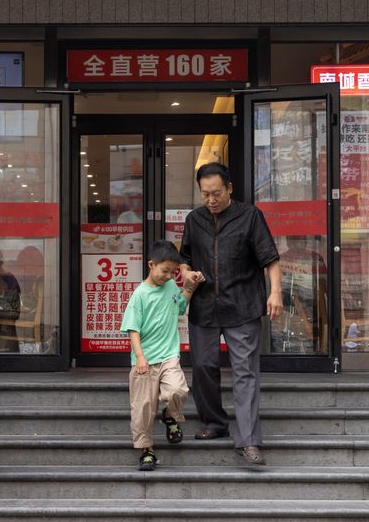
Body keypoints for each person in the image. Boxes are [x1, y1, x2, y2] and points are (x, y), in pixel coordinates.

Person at [179, 162, 282, 466]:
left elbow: (270, 258)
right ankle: (214, 422)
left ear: (229, 188)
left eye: (216, 193)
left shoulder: (250, 216)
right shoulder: (193, 220)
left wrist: (275, 292)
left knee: (245, 372)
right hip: (205, 306)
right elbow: (183, 257)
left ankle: (249, 440)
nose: (211, 200)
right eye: (205, 194)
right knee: (202, 366)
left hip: (243, 305)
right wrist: (187, 273)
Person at [120, 240, 204, 471]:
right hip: (144, 361)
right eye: (165, 271)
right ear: (151, 264)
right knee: (143, 407)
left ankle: (170, 416)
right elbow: (132, 328)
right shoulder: (140, 294)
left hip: (168, 355)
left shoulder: (169, 288)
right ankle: (147, 451)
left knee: (178, 390)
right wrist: (140, 357)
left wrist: (190, 288)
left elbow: (179, 306)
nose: (169, 276)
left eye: (173, 272)